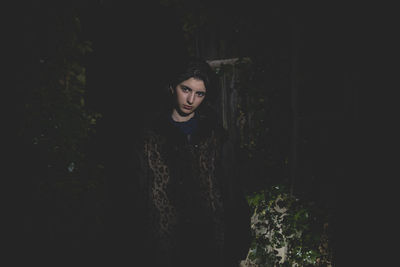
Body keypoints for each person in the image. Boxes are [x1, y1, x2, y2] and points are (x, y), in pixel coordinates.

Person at [132, 57, 251, 267]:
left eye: (199, 94)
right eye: (185, 89)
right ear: (172, 87)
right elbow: (137, 194)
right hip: (165, 246)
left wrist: (237, 242)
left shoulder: (215, 136)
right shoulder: (150, 137)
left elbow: (231, 190)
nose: (191, 100)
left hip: (210, 244)